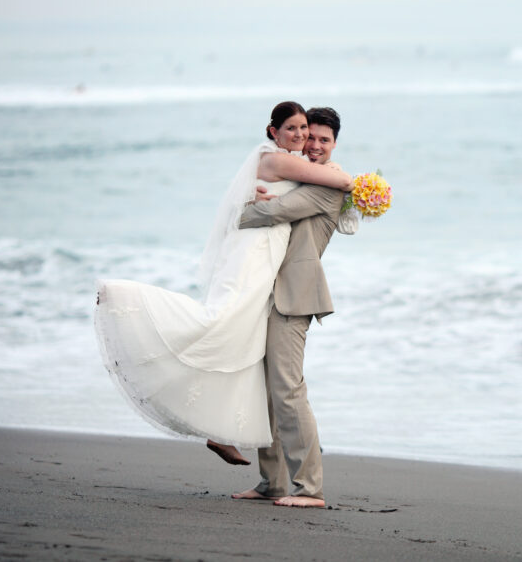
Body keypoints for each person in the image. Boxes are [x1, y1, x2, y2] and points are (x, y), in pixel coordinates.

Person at [94, 101, 352, 463]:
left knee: (240, 340)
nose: (305, 139)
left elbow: (305, 195)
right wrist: (359, 184)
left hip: (271, 263)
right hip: (255, 254)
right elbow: (335, 184)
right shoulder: (277, 159)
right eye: (295, 130)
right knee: (221, 322)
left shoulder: (296, 165)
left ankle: (222, 433)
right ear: (273, 131)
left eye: (309, 133)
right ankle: (124, 296)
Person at [230, 106, 348, 508]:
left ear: (334, 144)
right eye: (309, 137)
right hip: (265, 290)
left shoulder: (329, 185)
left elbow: (274, 212)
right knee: (266, 392)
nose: (313, 145)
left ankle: (310, 487)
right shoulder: (298, 175)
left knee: (288, 389)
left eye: (323, 140)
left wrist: (241, 209)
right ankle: (273, 481)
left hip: (294, 296)